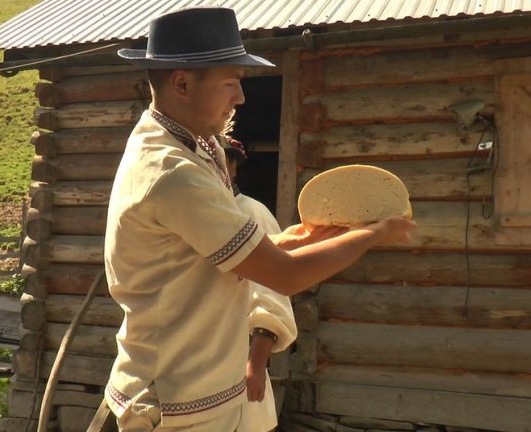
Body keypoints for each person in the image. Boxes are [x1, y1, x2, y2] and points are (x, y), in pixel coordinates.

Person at [104, 7, 416, 431]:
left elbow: (229, 258)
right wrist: (371, 234)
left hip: (196, 392)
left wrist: (305, 238)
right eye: (231, 83)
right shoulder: (171, 172)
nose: (241, 98)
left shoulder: (192, 147)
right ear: (181, 83)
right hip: (174, 403)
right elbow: (284, 277)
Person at [220, 135, 296, 432]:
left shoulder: (251, 214)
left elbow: (271, 291)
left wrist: (255, 365)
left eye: (221, 160)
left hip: (239, 360)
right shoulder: (197, 215)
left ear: (233, 167)